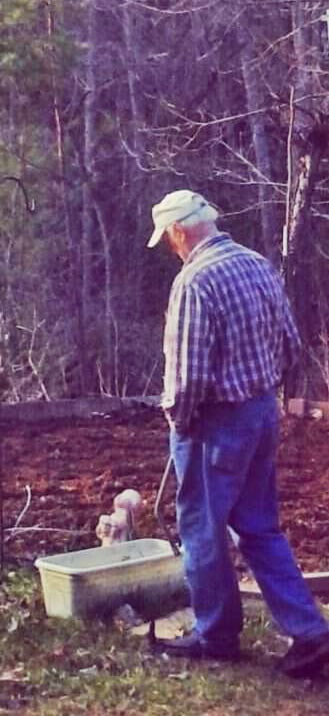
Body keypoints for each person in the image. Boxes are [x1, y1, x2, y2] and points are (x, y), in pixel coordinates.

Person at [147, 189, 329, 677]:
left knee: (203, 530)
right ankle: (311, 634)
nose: (171, 247)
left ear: (180, 231)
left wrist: (179, 423)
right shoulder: (256, 265)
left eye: (168, 237)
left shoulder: (194, 282)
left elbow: (186, 381)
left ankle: (216, 634)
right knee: (259, 526)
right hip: (261, 412)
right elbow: (290, 345)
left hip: (215, 423)